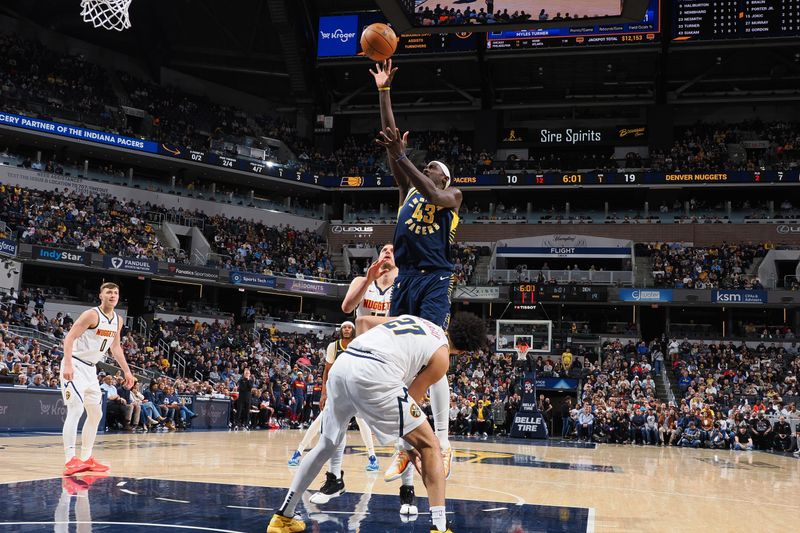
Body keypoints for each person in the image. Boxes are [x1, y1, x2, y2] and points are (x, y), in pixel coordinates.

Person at [267, 313, 487, 533]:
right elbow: (411, 400)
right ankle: (440, 526)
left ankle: (284, 517)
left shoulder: (418, 320)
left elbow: (363, 321)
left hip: (345, 363)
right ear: (464, 352)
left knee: (326, 445)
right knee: (430, 445)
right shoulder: (442, 358)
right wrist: (409, 446)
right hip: (374, 372)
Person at [371, 58, 464, 507]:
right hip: (406, 279)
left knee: (433, 353)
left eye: (434, 168)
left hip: (434, 280)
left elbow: (427, 187)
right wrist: (384, 92)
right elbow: (393, 145)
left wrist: (407, 159)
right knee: (399, 363)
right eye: (423, 165)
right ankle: (407, 445)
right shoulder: (407, 188)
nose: (427, 169)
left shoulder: (449, 196)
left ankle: (442, 441)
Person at [287, 322, 379, 504]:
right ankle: (298, 452)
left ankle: (372, 457)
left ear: (353, 330)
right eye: (343, 327)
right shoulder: (333, 347)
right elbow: (327, 370)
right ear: (340, 331)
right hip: (337, 392)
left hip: (356, 390)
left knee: (364, 425)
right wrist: (323, 392)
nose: (346, 329)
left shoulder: (360, 343)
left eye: (349, 327)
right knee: (319, 424)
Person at [61, 283, 134, 475]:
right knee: (75, 410)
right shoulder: (91, 315)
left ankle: (86, 458)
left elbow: (116, 348)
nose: (113, 295)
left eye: (116, 293)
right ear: (100, 295)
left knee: (95, 414)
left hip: (91, 369)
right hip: (75, 363)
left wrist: (127, 371)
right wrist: (67, 364)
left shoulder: (118, 320)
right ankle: (70, 460)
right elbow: (68, 339)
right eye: (109, 292)